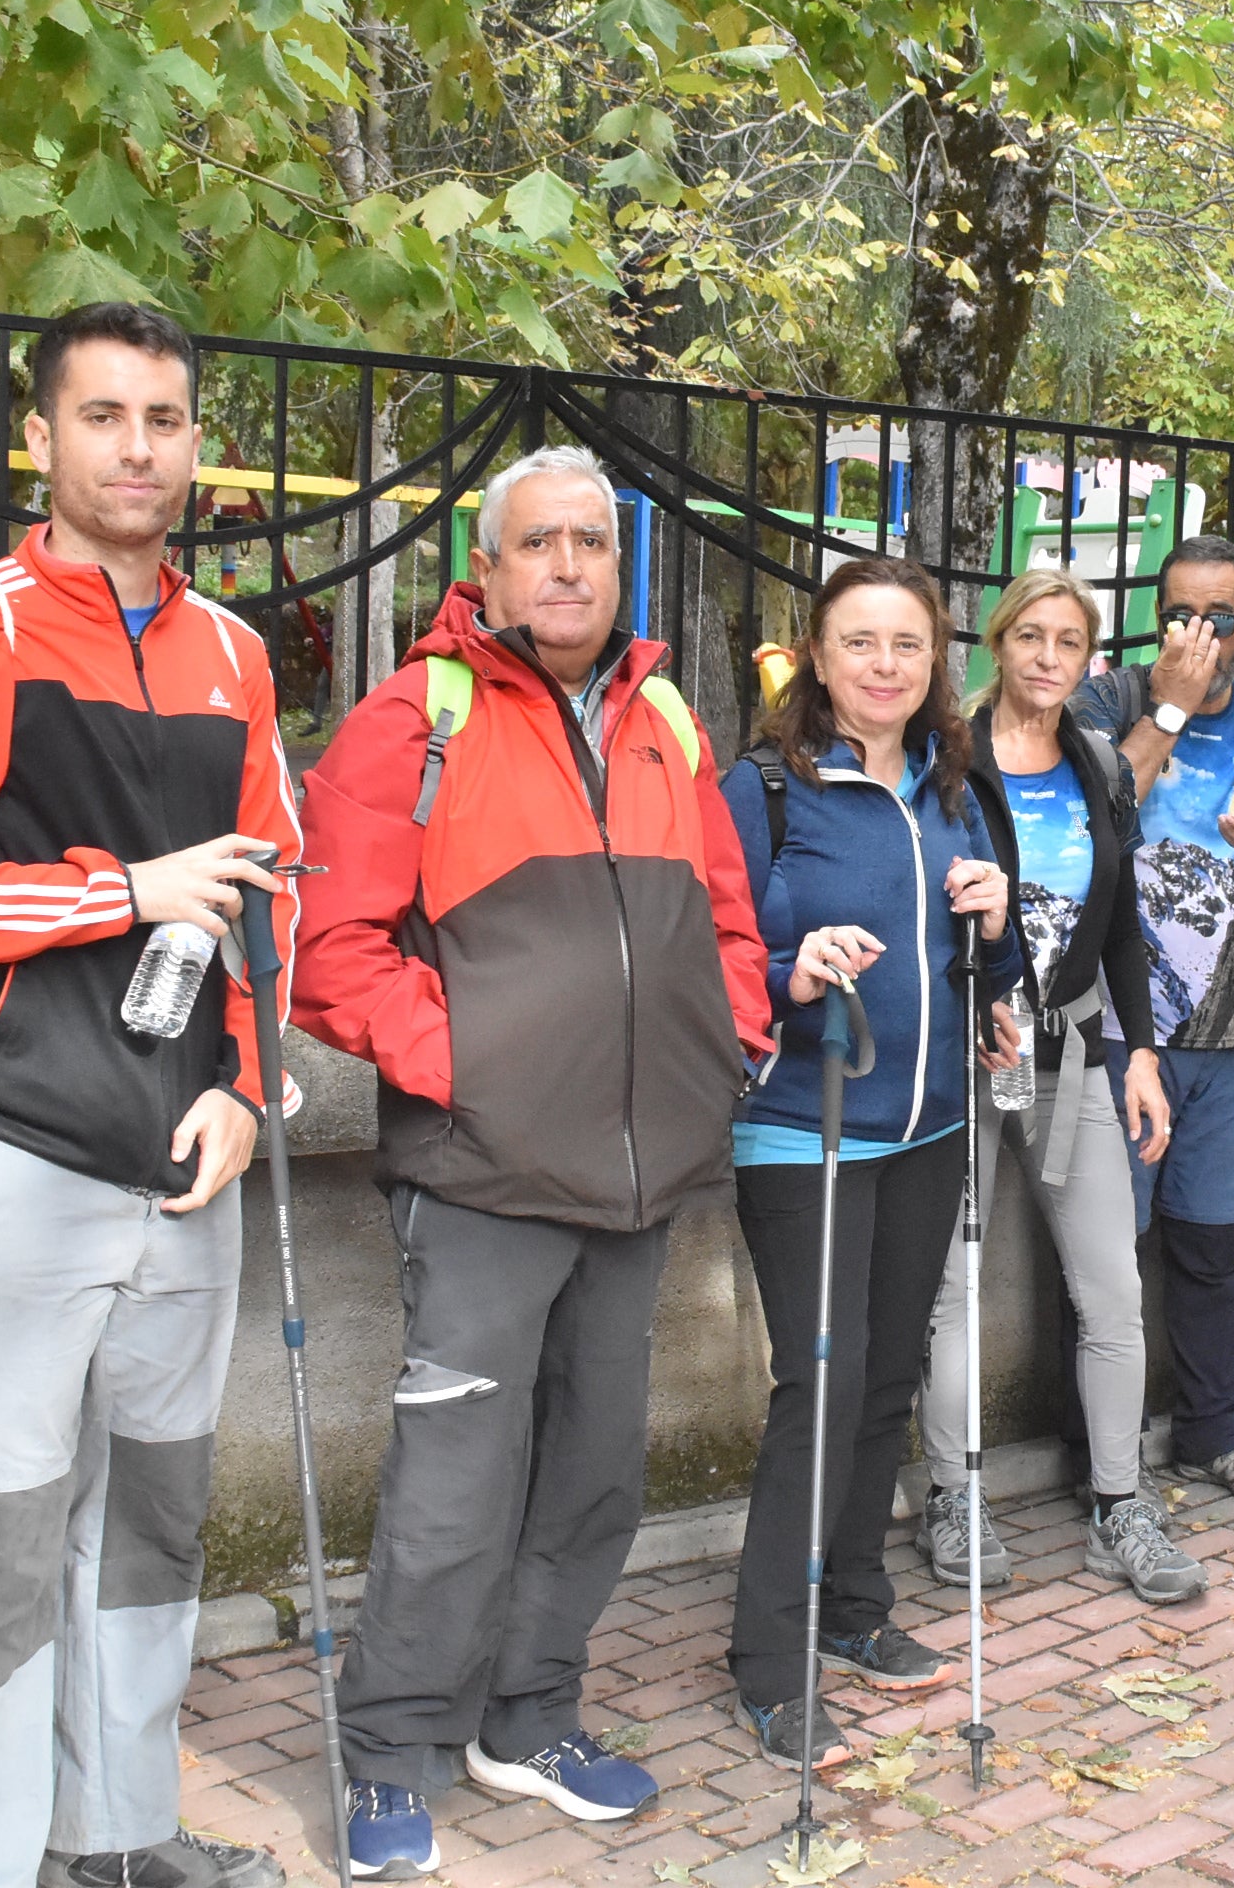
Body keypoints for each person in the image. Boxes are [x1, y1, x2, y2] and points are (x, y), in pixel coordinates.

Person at [0, 303, 301, 1887]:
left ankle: (120, 1837)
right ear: (41, 439)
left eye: (164, 417)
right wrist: (117, 889)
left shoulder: (232, 654)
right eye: (103, 417)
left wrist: (249, 1081)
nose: (138, 448)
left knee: (151, 1529)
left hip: (186, 1161)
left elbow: (269, 891)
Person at [289, 447, 775, 1870]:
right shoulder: (412, 721)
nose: (567, 566)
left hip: (635, 1179)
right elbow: (333, 954)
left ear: (617, 565)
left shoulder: (666, 718)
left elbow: (724, 924)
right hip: (487, 1172)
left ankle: (527, 1714)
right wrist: (478, 1067)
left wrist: (722, 1047)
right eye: (538, 543)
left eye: (590, 544)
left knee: (592, 1474)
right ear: (487, 566)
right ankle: (387, 1748)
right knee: (455, 1480)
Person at [719, 557, 1021, 1772]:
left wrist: (1000, 924)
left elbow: (994, 984)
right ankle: (765, 1657)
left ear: (936, 656)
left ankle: (852, 1606)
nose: (885, 664)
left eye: (907, 643)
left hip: (931, 1126)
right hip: (805, 1126)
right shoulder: (765, 789)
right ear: (820, 652)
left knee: (889, 1374)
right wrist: (792, 971)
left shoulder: (959, 784)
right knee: (823, 1383)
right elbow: (720, 949)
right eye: (860, 642)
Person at [912, 570, 1201, 1604]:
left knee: (1111, 1288)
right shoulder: (944, 758)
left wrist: (1141, 1054)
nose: (1046, 656)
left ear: (1088, 661)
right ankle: (954, 1491)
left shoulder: (1096, 765)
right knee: (951, 1289)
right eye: (1028, 635)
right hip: (962, 1055)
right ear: (996, 643)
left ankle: (1119, 1503)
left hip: (1073, 1054)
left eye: (1067, 642)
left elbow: (1120, 918)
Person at [1069, 536, 1234, 1505]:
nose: (1199, 633)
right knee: (1109, 1250)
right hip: (1117, 1031)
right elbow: (1094, 817)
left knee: (1212, 1241)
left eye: (1221, 616)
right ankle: (1103, 1440)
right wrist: (1169, 707)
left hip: (1224, 1036)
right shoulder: (1110, 702)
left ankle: (1213, 1425)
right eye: (1180, 613)